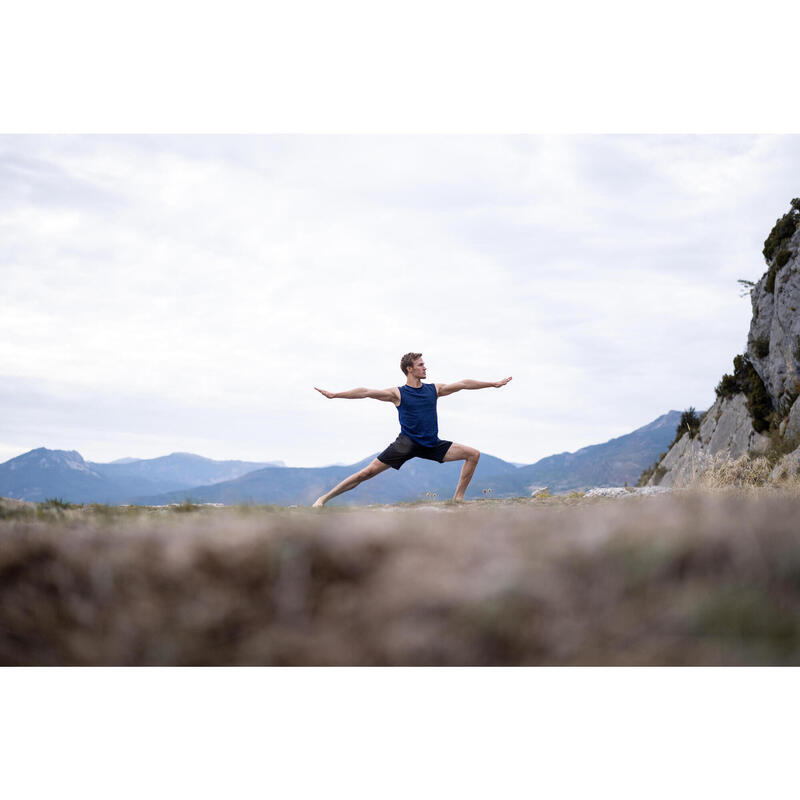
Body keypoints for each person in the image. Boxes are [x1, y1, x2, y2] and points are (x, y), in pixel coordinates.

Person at [312, 352, 512, 507]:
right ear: (410, 369)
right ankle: (323, 499)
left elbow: (463, 384)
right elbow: (365, 392)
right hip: (406, 444)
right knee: (367, 473)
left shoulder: (433, 389)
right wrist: (335, 395)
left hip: (431, 444)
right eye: (421, 365)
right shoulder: (397, 393)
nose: (425, 367)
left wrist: (492, 384)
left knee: (473, 454)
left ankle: (458, 500)